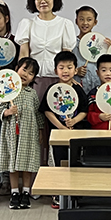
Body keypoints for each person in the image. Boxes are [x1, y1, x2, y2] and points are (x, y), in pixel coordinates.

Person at [38, 50, 88, 209]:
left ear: (75, 70)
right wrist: (61, 127)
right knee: (58, 162)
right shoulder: (52, 89)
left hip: (75, 134)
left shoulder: (78, 89)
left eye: (69, 67)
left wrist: (74, 121)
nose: (65, 71)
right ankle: (57, 194)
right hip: (57, 134)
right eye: (61, 67)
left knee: (75, 162)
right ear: (55, 70)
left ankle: (75, 193)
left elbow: (84, 110)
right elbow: (47, 111)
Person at [0, 57, 44, 210]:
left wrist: (40, 130)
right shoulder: (8, 91)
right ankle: (15, 192)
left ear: (33, 78)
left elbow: (38, 114)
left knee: (27, 164)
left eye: (31, 73)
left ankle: (26, 192)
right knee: (13, 164)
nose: (26, 74)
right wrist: (8, 111)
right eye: (24, 69)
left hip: (29, 134)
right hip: (11, 134)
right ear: (16, 69)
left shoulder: (32, 93)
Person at [15, 0, 77, 100]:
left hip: (58, 79)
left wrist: (68, 79)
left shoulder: (65, 24)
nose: (42, 1)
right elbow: (24, 55)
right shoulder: (27, 23)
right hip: (32, 80)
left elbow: (66, 56)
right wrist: (20, 79)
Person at [73, 5, 102, 94]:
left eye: (89, 20)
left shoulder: (101, 43)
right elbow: (65, 64)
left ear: (95, 22)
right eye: (81, 19)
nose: (85, 23)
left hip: (95, 84)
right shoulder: (72, 43)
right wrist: (75, 71)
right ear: (76, 21)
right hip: (77, 84)